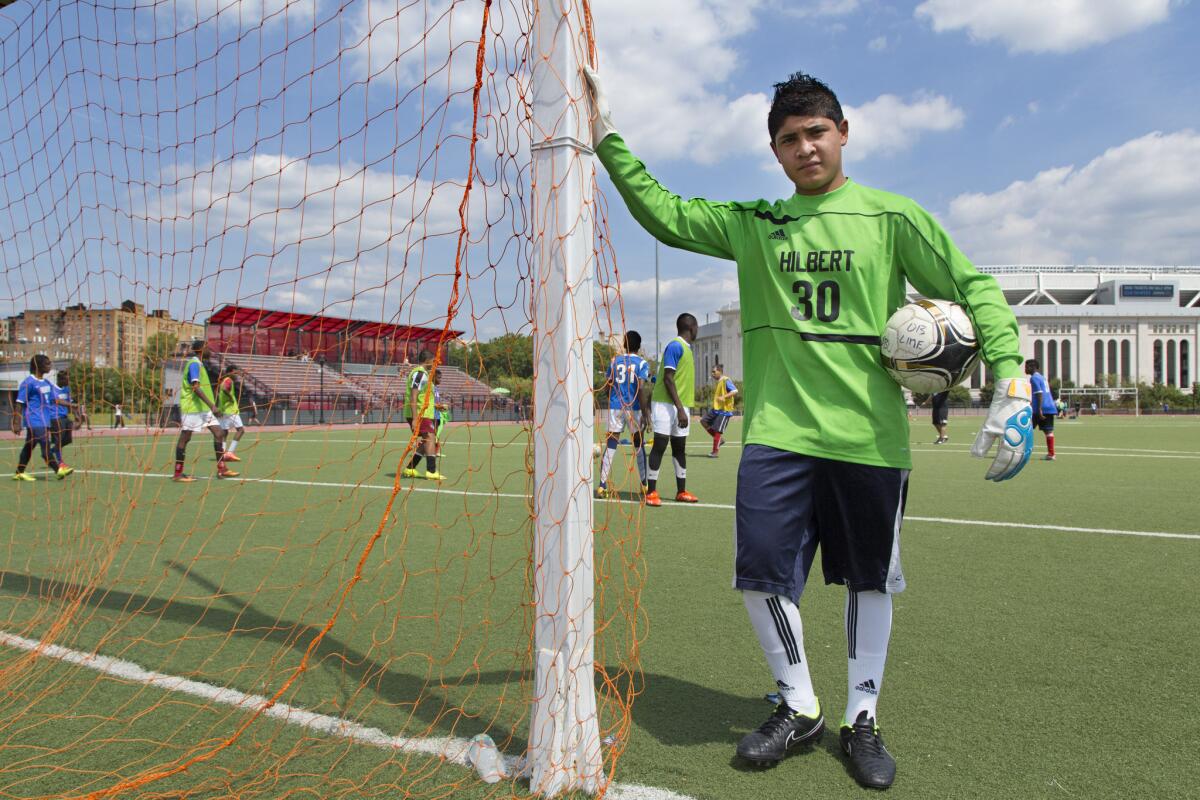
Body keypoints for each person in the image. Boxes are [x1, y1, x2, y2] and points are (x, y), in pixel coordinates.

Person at [584, 66, 1032, 789]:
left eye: (818, 132)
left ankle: (862, 718)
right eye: (790, 139)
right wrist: (606, 134)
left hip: (869, 436)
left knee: (870, 581)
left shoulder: (892, 218)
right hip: (779, 433)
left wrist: (1010, 375)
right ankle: (799, 704)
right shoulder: (758, 224)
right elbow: (663, 210)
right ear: (776, 152)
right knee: (759, 572)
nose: (806, 148)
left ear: (844, 133)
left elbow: (973, 287)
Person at [644, 314, 700, 507]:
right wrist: (679, 409)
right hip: (665, 404)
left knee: (679, 447)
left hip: (680, 405)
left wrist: (683, 409)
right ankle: (651, 492)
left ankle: (681, 491)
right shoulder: (675, 346)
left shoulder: (688, 349)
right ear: (692, 327)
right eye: (697, 327)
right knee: (660, 444)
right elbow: (668, 378)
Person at [174, 340, 238, 482]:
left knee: (219, 433)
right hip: (192, 407)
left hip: (203, 408)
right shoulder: (195, 364)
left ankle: (222, 469)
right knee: (185, 437)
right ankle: (178, 474)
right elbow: (195, 387)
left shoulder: (201, 365)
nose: (209, 350)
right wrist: (213, 406)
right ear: (199, 350)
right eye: (207, 348)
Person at [597, 331, 651, 498]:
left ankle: (601, 486)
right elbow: (641, 388)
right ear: (639, 346)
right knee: (638, 444)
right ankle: (644, 485)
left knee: (611, 444)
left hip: (615, 407)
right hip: (633, 408)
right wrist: (645, 412)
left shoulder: (614, 361)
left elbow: (608, 384)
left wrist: (608, 395)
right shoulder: (642, 363)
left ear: (624, 344)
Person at [11, 355, 71, 480]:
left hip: (45, 420)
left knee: (29, 446)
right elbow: (19, 403)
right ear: (38, 366)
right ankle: (58, 469)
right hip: (34, 420)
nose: (50, 366)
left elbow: (55, 399)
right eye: (47, 364)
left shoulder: (47, 383)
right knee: (45, 445)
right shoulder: (28, 383)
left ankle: (19, 472)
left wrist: (72, 405)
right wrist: (16, 422)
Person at [402, 350, 443, 481]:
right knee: (430, 438)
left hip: (424, 412)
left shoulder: (425, 374)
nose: (435, 363)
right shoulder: (419, 374)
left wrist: (436, 406)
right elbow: (414, 396)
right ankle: (431, 471)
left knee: (427, 440)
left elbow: (423, 396)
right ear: (428, 361)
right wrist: (415, 418)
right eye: (434, 360)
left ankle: (410, 468)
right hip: (419, 413)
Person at [699, 365, 738, 457]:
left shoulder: (726, 380)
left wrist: (724, 397)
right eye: (712, 372)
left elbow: (735, 391)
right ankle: (720, 440)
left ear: (720, 371)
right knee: (703, 421)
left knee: (718, 431)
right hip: (716, 409)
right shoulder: (719, 382)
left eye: (714, 372)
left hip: (724, 411)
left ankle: (715, 452)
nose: (712, 374)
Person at [1026, 359, 1057, 461]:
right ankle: (1051, 454)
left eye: (1026, 367)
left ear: (1032, 367)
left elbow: (1039, 393)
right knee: (1048, 431)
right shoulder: (1042, 377)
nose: (1025, 369)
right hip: (1049, 407)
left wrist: (1039, 408)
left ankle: (1022, 452)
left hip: (1040, 408)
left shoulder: (1034, 378)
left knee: (1026, 428)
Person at [46, 371, 76, 468]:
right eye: (66, 380)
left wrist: (77, 415)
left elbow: (69, 403)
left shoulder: (67, 389)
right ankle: (60, 462)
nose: (68, 382)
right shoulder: (52, 389)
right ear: (60, 380)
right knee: (58, 440)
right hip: (55, 417)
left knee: (68, 439)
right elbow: (58, 401)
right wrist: (71, 405)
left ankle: (51, 452)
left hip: (65, 417)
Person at [216, 368, 246, 462]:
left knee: (225, 432)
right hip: (231, 410)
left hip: (223, 409)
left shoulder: (222, 381)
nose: (236, 374)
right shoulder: (228, 380)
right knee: (240, 430)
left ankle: (223, 453)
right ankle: (230, 452)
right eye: (235, 372)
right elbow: (225, 389)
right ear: (231, 372)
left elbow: (217, 393)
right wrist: (230, 397)